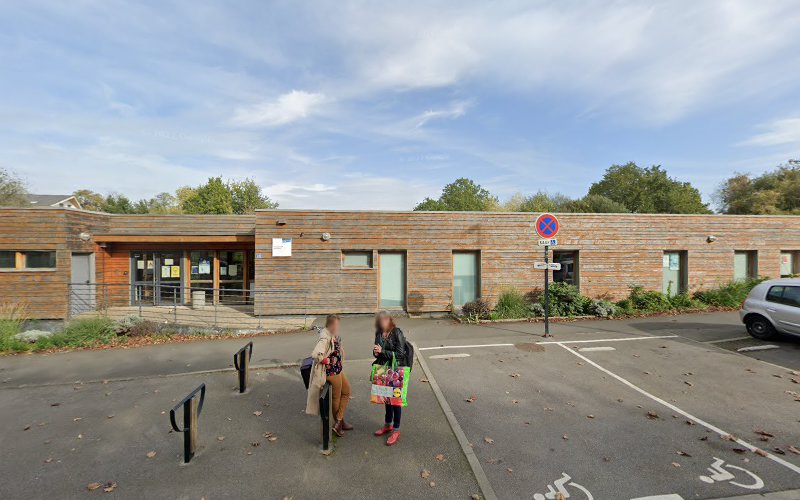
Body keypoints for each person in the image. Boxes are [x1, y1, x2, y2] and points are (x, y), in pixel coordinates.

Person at [305, 314, 352, 436]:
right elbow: (315, 354)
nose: (337, 327)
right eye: (336, 325)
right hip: (331, 372)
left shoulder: (331, 334)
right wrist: (326, 360)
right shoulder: (324, 337)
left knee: (347, 392)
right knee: (336, 398)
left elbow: (334, 348)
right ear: (330, 325)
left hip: (338, 369)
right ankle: (338, 422)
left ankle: (340, 421)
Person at [372, 310, 407, 446]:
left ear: (389, 320)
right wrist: (376, 352)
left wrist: (383, 352)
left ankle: (396, 429)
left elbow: (400, 354)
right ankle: (388, 425)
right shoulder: (378, 333)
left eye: (385, 320)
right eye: (380, 320)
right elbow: (376, 351)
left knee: (395, 401)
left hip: (396, 370)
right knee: (386, 399)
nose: (383, 322)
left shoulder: (397, 332)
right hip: (382, 369)